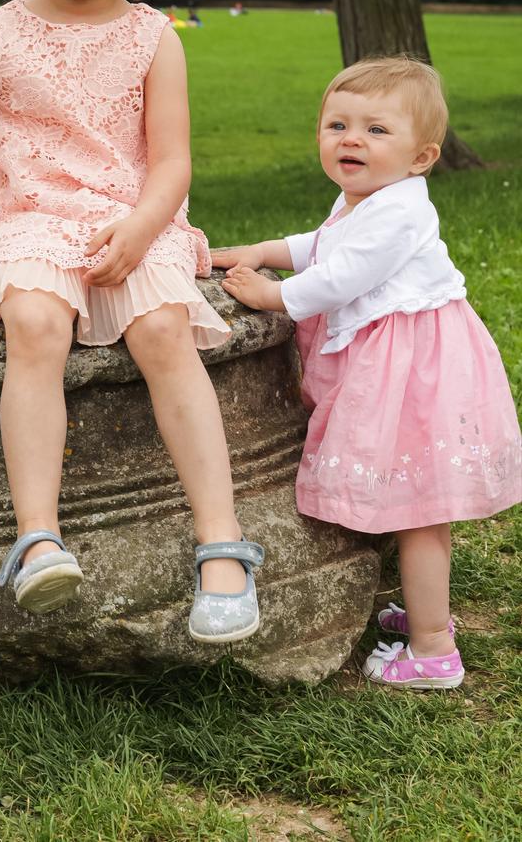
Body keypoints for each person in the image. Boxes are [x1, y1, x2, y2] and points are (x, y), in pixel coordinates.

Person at [0, 0, 263, 642]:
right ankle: (38, 538)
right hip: (32, 220)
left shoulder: (154, 37)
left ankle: (221, 545)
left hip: (133, 214)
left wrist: (142, 227)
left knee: (163, 329)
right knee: (36, 324)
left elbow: (173, 161)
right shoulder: (0, 30)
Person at [215, 56, 521, 690]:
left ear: (422, 157)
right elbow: (322, 243)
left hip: (411, 376)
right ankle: (424, 605)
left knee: (417, 511)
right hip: (405, 367)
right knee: (418, 505)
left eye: (376, 130)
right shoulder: (368, 199)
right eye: (337, 124)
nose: (351, 139)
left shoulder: (400, 211)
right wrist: (263, 252)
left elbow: (339, 276)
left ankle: (434, 649)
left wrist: (272, 294)